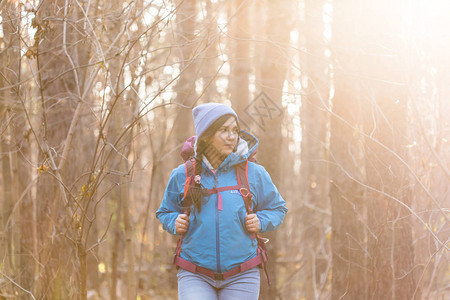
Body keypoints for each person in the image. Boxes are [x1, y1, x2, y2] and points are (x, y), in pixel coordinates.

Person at [156, 103, 287, 300]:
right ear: (207, 135)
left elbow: (278, 208)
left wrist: (261, 220)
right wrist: (173, 221)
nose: (231, 136)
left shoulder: (253, 172)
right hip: (195, 272)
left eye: (235, 130)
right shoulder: (183, 174)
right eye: (223, 130)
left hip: (243, 273)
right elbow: (165, 211)